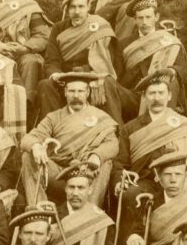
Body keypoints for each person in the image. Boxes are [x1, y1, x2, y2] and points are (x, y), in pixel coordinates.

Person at [22, 72, 119, 207]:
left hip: (87, 172)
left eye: (80, 91)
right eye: (72, 91)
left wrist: (96, 156)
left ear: (88, 92)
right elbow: (30, 138)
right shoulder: (54, 117)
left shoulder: (101, 117)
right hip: (60, 175)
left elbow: (112, 143)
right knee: (28, 156)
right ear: (65, 92)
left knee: (105, 161)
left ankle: (90, 212)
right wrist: (35, 146)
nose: (76, 96)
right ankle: (39, 209)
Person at [41, 0, 130, 121]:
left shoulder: (100, 26)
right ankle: (55, 127)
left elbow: (110, 62)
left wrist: (86, 73)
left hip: (92, 78)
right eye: (73, 7)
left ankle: (114, 132)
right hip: (65, 80)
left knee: (106, 84)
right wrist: (55, 74)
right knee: (45, 85)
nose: (77, 11)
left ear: (89, 6)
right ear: (67, 9)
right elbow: (51, 60)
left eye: (81, 6)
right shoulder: (58, 28)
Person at [113, 70, 187, 191]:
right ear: (144, 97)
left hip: (178, 181)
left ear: (169, 96)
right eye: (152, 93)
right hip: (145, 182)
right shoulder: (130, 128)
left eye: (161, 93)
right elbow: (120, 163)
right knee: (129, 195)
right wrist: (119, 181)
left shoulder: (184, 124)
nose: (156, 98)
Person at [119, 0, 187, 113]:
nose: (144, 22)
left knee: (171, 79)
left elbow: (183, 70)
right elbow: (118, 76)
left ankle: (164, 124)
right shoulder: (124, 44)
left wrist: (172, 71)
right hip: (133, 95)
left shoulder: (168, 40)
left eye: (148, 17)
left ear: (156, 17)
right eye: (140, 18)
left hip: (161, 93)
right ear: (134, 20)